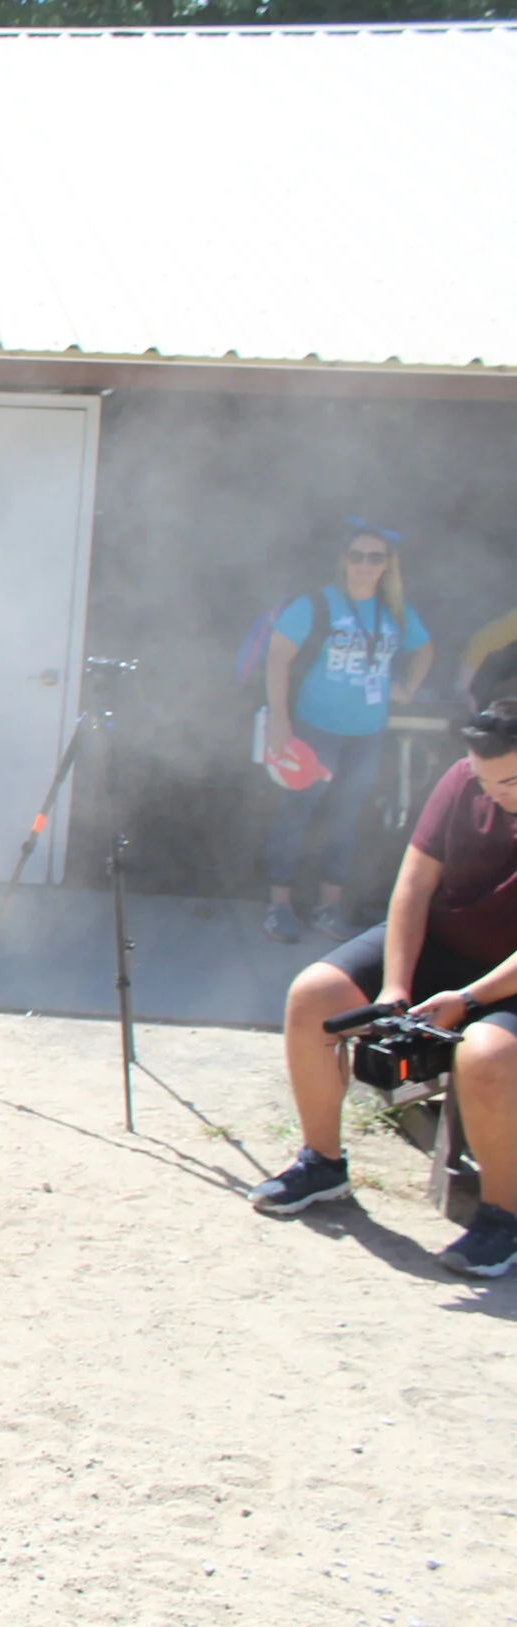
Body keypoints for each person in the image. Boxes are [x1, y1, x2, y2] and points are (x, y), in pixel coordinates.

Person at [251, 700, 517, 1278]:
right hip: (442, 946)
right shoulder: (459, 781)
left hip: (507, 978)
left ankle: (503, 1217)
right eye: (485, 781)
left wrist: (469, 1001)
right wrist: (395, 984)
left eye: (510, 783)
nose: (494, 794)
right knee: (314, 995)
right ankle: (322, 1163)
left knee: (487, 1054)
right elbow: (414, 885)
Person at [261, 520, 432, 944]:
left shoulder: (395, 611)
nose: (365, 564)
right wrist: (280, 721)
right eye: (357, 555)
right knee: (296, 814)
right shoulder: (317, 605)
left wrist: (408, 688)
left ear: (387, 564)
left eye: (375, 557)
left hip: (366, 734)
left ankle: (329, 908)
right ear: (344, 560)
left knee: (345, 819)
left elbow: (424, 649)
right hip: (314, 731)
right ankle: (278, 907)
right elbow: (277, 658)